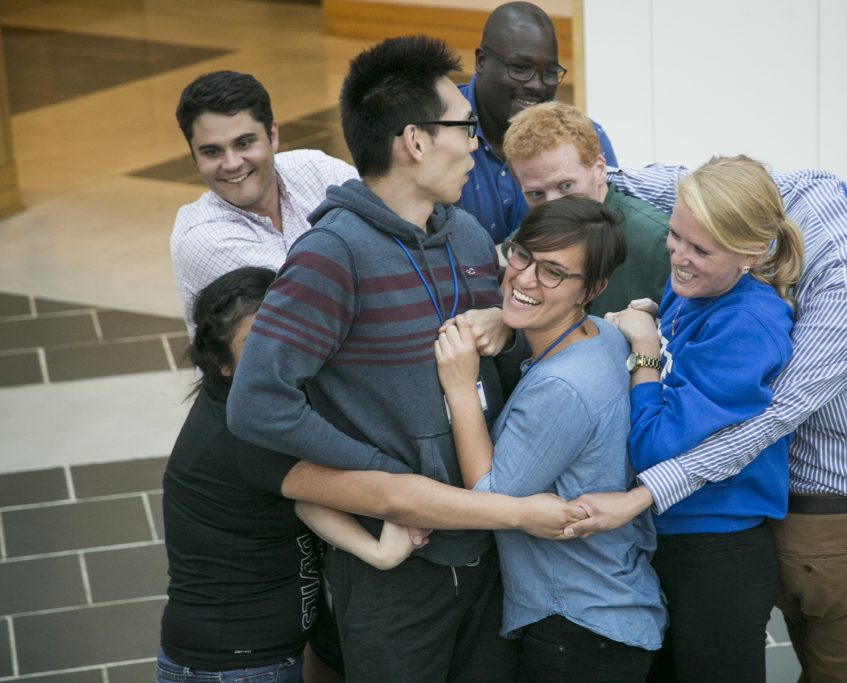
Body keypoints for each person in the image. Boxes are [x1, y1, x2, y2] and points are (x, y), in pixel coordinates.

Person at [569, 70, 847, 683]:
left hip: (775, 520)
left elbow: (684, 182)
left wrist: (603, 178)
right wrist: (645, 492)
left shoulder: (815, 192)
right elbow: (774, 416)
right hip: (846, 531)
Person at [226, 36, 526, 681]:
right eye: (465, 127)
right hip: (398, 568)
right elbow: (257, 404)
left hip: (492, 550)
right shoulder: (330, 255)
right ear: (414, 141)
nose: (477, 143)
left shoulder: (469, 235)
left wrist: (508, 326)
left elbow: (506, 368)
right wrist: (389, 483)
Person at [159, 266, 587, 683]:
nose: (280, 351)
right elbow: (389, 497)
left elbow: (310, 500)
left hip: (267, 650)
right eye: (256, 344)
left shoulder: (267, 408)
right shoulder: (249, 431)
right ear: (221, 364)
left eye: (288, 333)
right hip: (231, 666)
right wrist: (520, 514)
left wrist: (498, 318)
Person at [435, 196, 666, 682]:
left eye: (553, 272)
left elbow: (491, 497)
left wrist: (460, 387)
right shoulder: (602, 335)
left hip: (579, 625)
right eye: (522, 255)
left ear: (595, 287)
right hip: (609, 606)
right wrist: (505, 320)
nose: (523, 279)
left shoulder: (564, 386)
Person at [605, 156, 802, 682]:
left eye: (700, 249)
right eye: (675, 235)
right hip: (671, 536)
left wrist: (644, 350)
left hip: (717, 553)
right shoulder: (692, 289)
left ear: (751, 254)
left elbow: (654, 446)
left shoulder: (748, 325)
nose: (679, 257)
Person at [171, 70, 359, 337]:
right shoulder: (203, 238)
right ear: (194, 154)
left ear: (273, 135)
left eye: (244, 143)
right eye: (212, 151)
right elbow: (310, 305)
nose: (232, 163)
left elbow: (390, 227)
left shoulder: (317, 170)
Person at [458, 1, 617, 243]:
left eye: (549, 73)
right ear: (481, 61)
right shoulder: (440, 126)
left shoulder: (585, 136)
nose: (536, 85)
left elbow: (608, 236)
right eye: (520, 68)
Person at [503, 101, 669, 316]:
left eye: (566, 186)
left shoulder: (658, 244)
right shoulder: (521, 246)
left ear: (600, 169)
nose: (553, 205)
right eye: (536, 194)